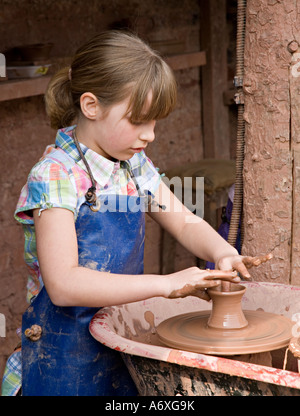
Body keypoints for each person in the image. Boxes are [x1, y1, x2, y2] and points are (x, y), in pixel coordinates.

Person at [1, 31, 271, 396]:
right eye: (139, 121)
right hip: (63, 353)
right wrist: (166, 284)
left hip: (119, 334)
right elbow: (64, 284)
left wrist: (221, 251)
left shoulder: (133, 165)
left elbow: (185, 219)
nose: (150, 135)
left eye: (155, 123)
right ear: (91, 106)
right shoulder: (56, 175)